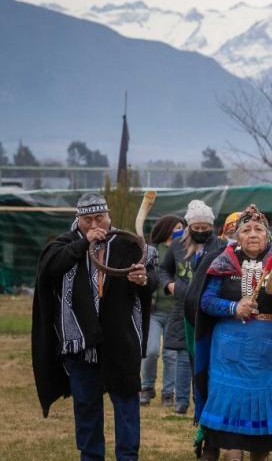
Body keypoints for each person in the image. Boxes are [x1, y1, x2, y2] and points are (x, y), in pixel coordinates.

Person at [33, 193, 156, 461]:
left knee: (126, 405)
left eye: (99, 217)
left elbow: (152, 277)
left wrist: (143, 279)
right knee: (87, 408)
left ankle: (127, 456)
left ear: (109, 216)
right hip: (81, 344)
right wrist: (83, 244)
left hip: (121, 341)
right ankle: (91, 457)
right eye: (87, 219)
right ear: (78, 220)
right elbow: (48, 268)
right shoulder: (64, 246)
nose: (94, 224)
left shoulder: (128, 244)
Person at [194, 205, 272, 461]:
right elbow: (205, 302)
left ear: (267, 235)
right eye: (246, 230)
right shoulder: (223, 262)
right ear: (237, 236)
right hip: (229, 355)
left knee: (261, 440)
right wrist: (233, 306)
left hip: (269, 356)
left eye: (259, 229)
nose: (253, 234)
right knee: (231, 434)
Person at [159, 200, 227, 415]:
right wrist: (169, 285)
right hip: (184, 309)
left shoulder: (221, 246)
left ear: (212, 227)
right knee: (189, 355)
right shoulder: (177, 246)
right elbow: (163, 270)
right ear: (189, 227)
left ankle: (211, 400)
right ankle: (194, 399)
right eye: (195, 228)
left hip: (211, 310)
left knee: (212, 356)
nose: (200, 232)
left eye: (204, 228)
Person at [141, 214, 186, 407]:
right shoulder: (153, 250)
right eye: (176, 227)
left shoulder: (186, 251)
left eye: (182, 227)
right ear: (167, 229)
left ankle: (168, 392)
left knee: (171, 353)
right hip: (154, 310)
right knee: (151, 351)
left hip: (176, 310)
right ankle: (147, 387)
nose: (180, 230)